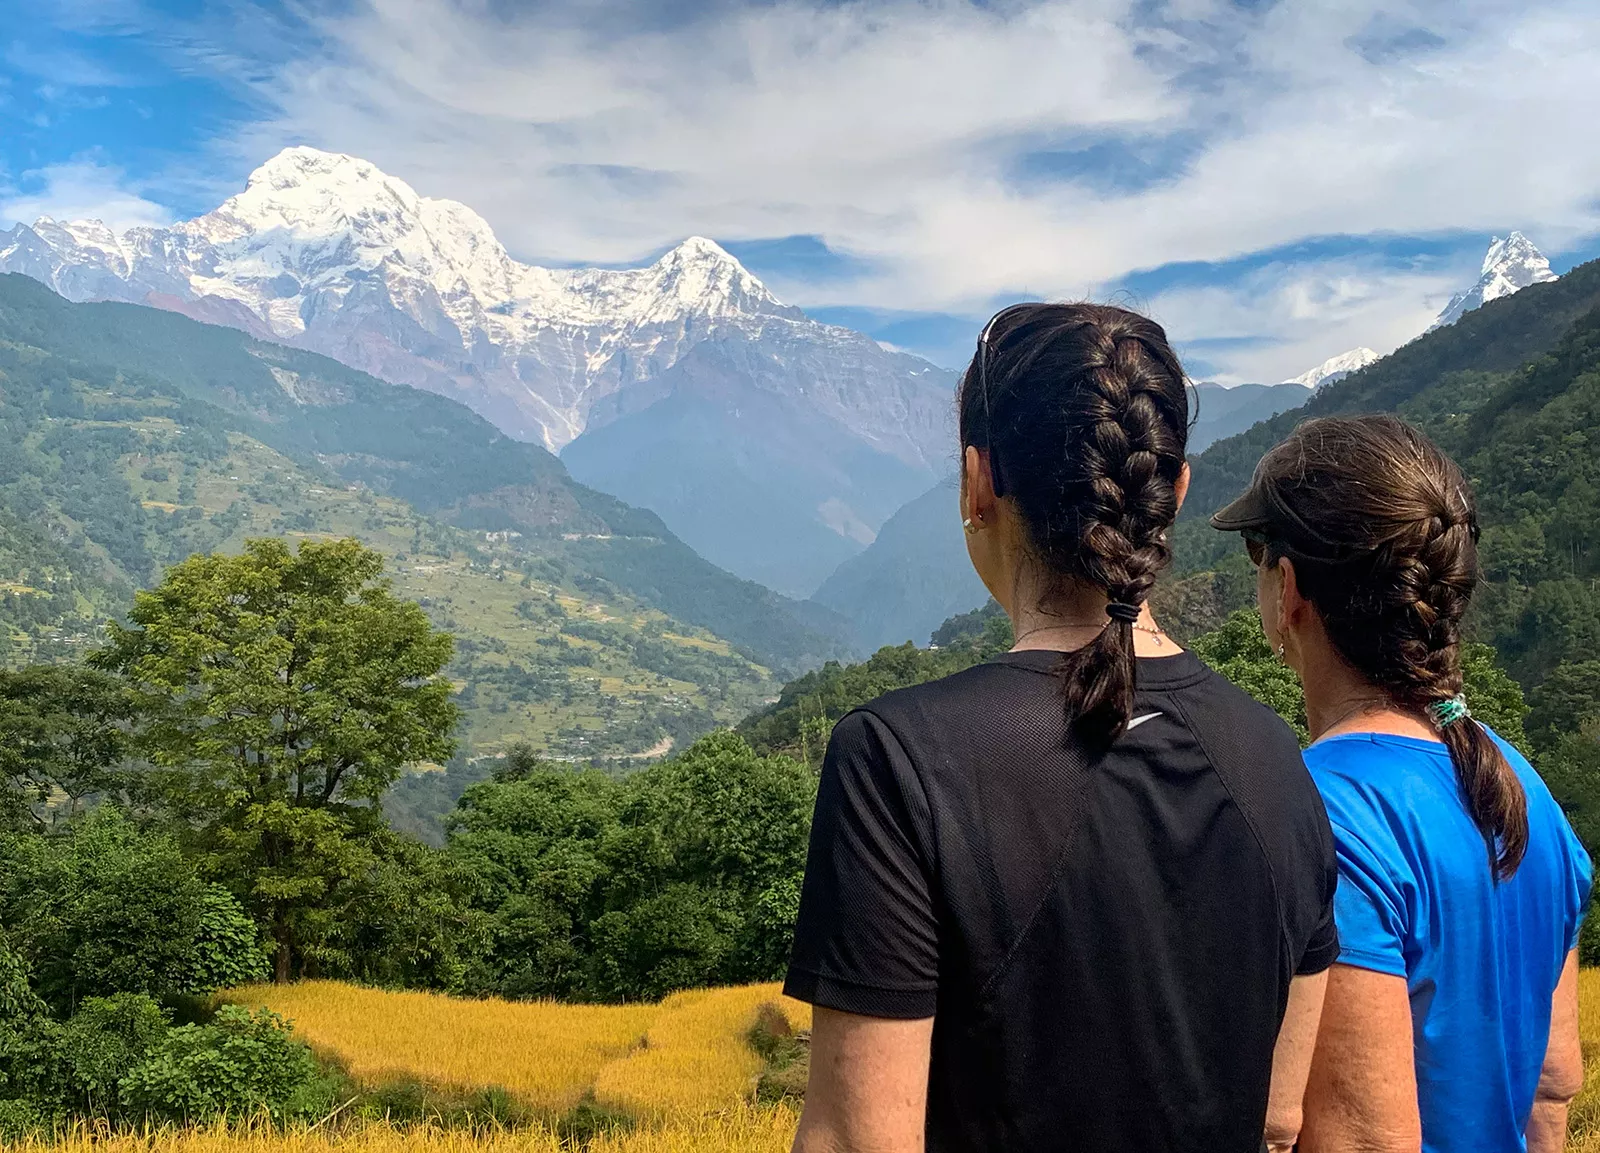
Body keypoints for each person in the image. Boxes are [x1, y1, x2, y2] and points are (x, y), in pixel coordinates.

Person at [785, 302, 1339, 1153]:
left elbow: (859, 1140)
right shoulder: (1279, 758)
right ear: (1175, 493)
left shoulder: (897, 761)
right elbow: (1278, 1119)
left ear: (977, 482)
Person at [1211, 414, 1593, 1153]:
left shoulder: (1323, 811)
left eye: (1258, 553)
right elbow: (1552, 1085)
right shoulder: (1522, 789)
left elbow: (1360, 1138)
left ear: (1289, 589)